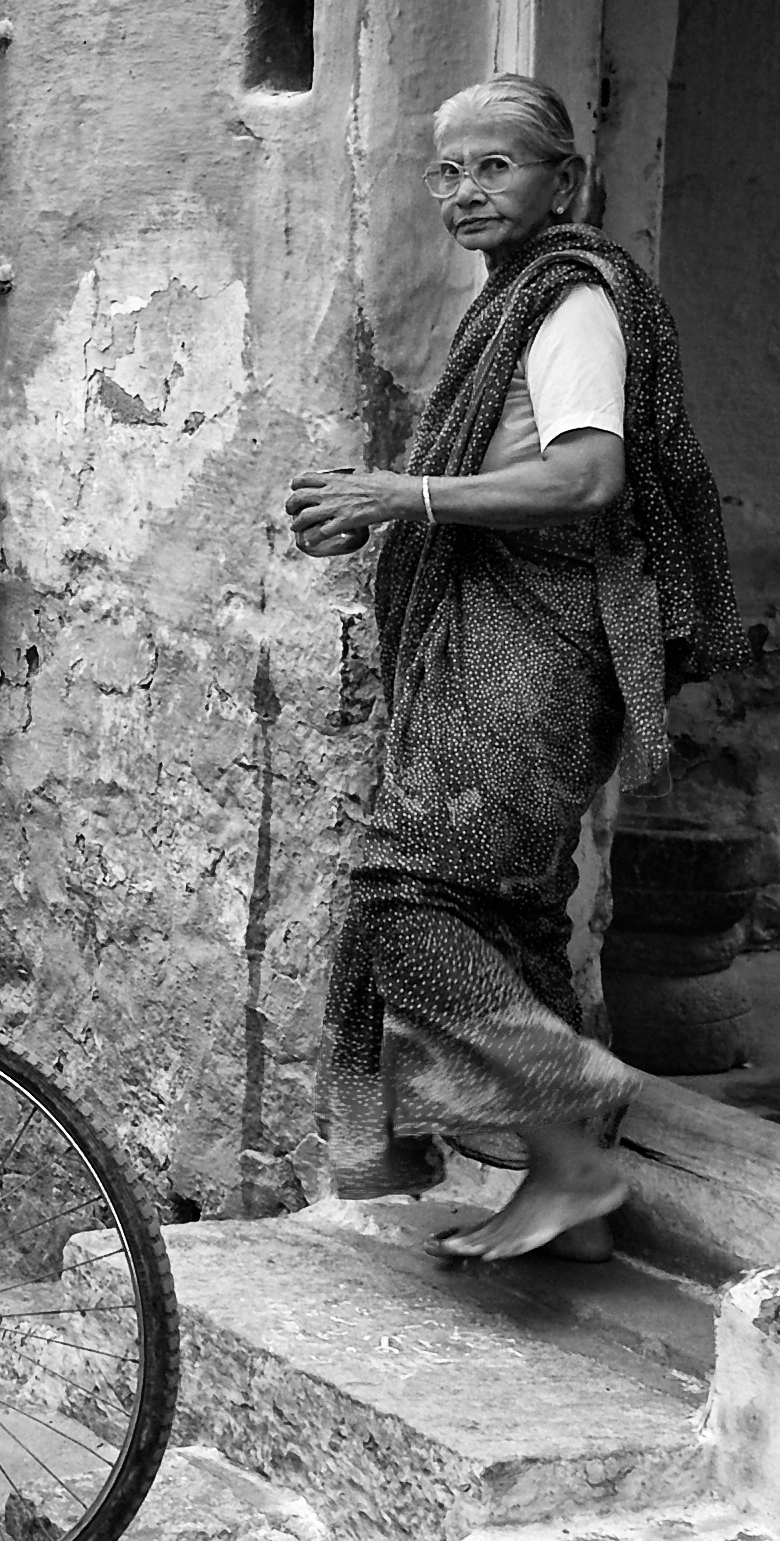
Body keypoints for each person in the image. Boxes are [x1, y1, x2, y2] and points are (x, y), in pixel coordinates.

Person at [284, 75, 743, 1262]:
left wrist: (409, 494)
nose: (465, 190)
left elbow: (586, 476)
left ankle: (576, 1143)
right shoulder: (513, 301)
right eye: (446, 170)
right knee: (502, 912)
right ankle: (570, 1211)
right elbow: (511, 467)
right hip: (498, 639)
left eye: (495, 166)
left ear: (564, 182)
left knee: (403, 901)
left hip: (537, 654)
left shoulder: (572, 301)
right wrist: (392, 513)